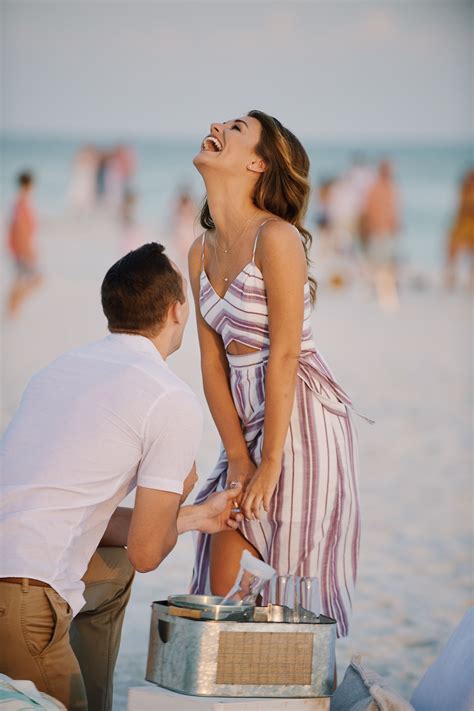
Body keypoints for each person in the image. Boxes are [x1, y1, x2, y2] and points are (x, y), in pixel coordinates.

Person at [0, 243, 242, 711]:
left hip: (15, 573)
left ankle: (92, 697)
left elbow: (79, 515)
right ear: (177, 311)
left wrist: (192, 517)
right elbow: (149, 552)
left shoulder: (56, 372)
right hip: (21, 599)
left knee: (114, 572)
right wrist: (182, 491)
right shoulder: (168, 397)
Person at [189, 111, 373, 639]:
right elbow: (211, 364)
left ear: (257, 162)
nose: (218, 126)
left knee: (292, 593)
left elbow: (287, 355)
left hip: (302, 422)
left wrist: (269, 462)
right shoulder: (199, 251)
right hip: (244, 426)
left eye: (237, 128)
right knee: (222, 586)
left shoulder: (277, 237)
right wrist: (241, 458)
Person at [361, 159, 401, 311]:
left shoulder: (392, 188)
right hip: (377, 230)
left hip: (387, 231)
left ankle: (385, 293)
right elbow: (368, 210)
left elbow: (394, 211)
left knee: (387, 263)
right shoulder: (375, 188)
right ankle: (380, 292)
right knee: (377, 263)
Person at [6, 171, 42, 316]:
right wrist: (27, 250)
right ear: (30, 184)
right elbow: (20, 228)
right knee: (36, 278)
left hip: (18, 247)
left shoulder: (19, 202)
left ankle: (12, 308)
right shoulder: (22, 203)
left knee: (19, 278)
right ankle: (13, 305)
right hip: (21, 248)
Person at [445, 169, 474, 290]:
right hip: (462, 224)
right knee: (452, 250)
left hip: (469, 225)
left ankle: (469, 281)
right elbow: (461, 207)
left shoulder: (466, 191)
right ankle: (451, 278)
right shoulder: (464, 190)